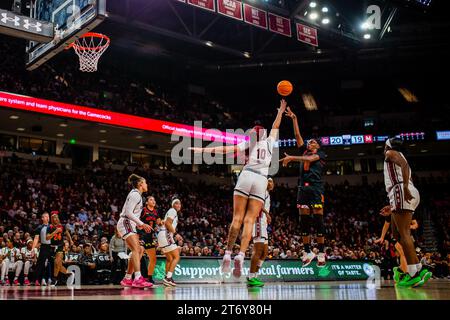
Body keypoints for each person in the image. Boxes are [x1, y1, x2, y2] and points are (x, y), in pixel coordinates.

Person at [190, 99, 286, 277]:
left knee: (237, 218)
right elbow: (276, 126)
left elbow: (226, 150)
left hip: (247, 174)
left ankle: (227, 254)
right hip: (261, 180)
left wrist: (203, 151)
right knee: (249, 220)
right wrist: (280, 111)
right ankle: (241, 256)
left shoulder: (249, 143)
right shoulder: (269, 142)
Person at [279, 107, 327, 267]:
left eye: (313, 142)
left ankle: (321, 251)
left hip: (316, 188)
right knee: (304, 220)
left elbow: (311, 158)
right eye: (310, 141)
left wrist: (292, 157)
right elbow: (297, 135)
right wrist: (294, 118)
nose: (310, 142)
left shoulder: (320, 155)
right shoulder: (304, 151)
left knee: (318, 219)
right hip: (303, 187)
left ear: (318, 146)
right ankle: (307, 251)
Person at [382, 137, 432, 287]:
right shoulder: (396, 154)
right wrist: (391, 206)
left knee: (403, 233)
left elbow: (403, 165)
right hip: (401, 192)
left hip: (401, 189)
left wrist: (403, 188)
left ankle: (413, 274)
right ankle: (418, 268)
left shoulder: (390, 152)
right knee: (397, 235)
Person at [116, 174, 153, 288]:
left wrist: (138, 224)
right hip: (126, 222)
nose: (147, 185)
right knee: (136, 249)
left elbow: (132, 213)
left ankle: (127, 278)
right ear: (140, 184)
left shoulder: (137, 195)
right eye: (145, 182)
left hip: (129, 224)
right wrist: (141, 223)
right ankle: (137, 278)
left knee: (140, 250)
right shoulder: (136, 195)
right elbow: (128, 212)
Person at [375, 206, 419, 283]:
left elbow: (415, 225)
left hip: (407, 236)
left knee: (408, 256)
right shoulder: (392, 213)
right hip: (397, 237)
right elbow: (386, 225)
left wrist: (408, 226)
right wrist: (382, 237)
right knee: (401, 251)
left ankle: (399, 269)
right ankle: (407, 275)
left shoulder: (408, 213)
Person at [248, 177, 274, 287]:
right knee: (258, 251)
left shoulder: (267, 192)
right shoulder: (261, 191)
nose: (272, 183)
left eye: (272, 182)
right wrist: (267, 214)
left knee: (264, 253)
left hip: (263, 223)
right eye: (270, 181)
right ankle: (251, 277)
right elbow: (257, 204)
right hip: (258, 220)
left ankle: (255, 275)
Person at [157, 199, 183, 286]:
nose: (178, 205)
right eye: (176, 203)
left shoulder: (171, 212)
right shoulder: (172, 211)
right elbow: (168, 224)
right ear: (173, 205)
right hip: (166, 235)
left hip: (162, 235)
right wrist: (176, 234)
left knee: (170, 259)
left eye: (179, 203)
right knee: (176, 257)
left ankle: (167, 278)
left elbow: (166, 223)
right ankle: (168, 278)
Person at [139, 196, 162, 284]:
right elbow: (136, 220)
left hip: (150, 237)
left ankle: (149, 277)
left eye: (154, 199)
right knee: (139, 256)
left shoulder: (156, 212)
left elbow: (159, 223)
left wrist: (162, 223)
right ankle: (132, 276)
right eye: (151, 199)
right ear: (147, 202)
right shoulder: (143, 210)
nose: (153, 201)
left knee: (153, 258)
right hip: (141, 235)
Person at [49, 212, 74, 286]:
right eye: (53, 217)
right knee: (58, 265)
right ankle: (69, 274)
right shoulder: (49, 227)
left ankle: (54, 279)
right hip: (51, 247)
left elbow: (67, 233)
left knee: (57, 262)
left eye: (56, 217)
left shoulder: (62, 226)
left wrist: (71, 240)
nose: (55, 219)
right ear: (51, 219)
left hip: (60, 246)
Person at [31, 212, 57, 286]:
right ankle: (34, 280)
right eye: (45, 216)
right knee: (40, 264)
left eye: (48, 216)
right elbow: (36, 238)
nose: (47, 217)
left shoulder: (52, 226)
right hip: (44, 247)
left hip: (51, 247)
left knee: (53, 263)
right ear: (42, 218)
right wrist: (33, 249)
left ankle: (53, 280)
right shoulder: (40, 227)